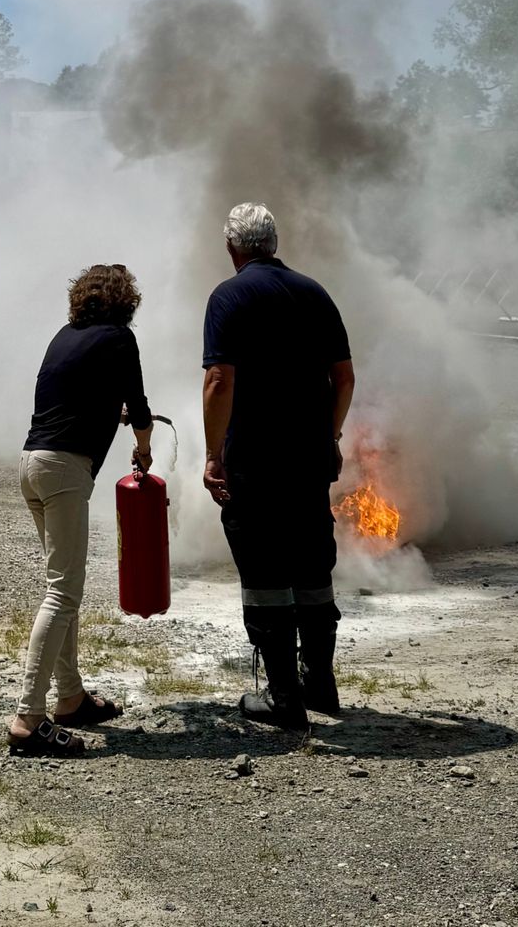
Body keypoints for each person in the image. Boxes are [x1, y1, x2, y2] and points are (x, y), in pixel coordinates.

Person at [202, 202, 355, 730]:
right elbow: (346, 377)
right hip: (310, 459)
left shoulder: (229, 296)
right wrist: (331, 434)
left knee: (265, 570)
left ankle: (284, 698)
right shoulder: (315, 292)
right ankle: (322, 685)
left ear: (232, 248)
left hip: (256, 461)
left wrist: (212, 455)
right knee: (313, 567)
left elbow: (220, 379)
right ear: (274, 242)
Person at [9, 264, 154, 757]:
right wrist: (144, 446)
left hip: (33, 463)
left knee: (61, 586)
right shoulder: (118, 338)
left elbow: (65, 399)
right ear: (124, 301)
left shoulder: (65, 336)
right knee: (62, 593)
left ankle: (69, 698)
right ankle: (29, 718)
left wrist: (107, 414)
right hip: (66, 470)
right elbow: (137, 401)